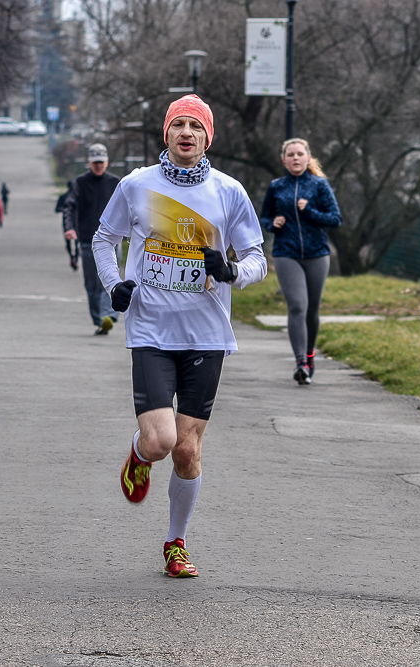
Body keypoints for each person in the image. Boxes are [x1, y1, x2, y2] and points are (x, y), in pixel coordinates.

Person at [91, 95, 267, 577]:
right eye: (178, 125)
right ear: (166, 135)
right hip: (150, 328)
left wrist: (231, 272)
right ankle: (139, 453)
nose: (186, 132)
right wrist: (115, 284)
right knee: (161, 440)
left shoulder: (229, 191)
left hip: (207, 334)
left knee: (188, 450)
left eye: (196, 126)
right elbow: (104, 239)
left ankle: (176, 542)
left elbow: (257, 257)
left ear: (208, 138)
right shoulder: (136, 185)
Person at [259, 138, 342, 385]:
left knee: (311, 311)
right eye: (290, 155)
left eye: (300, 154)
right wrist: (271, 225)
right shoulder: (276, 187)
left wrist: (310, 212)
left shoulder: (319, 185)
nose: (295, 158)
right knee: (297, 306)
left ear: (308, 158)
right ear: (284, 160)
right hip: (286, 254)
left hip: (317, 255)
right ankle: (300, 363)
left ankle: (309, 354)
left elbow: (335, 219)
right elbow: (264, 217)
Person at [63, 143, 121, 335]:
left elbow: (129, 207)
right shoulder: (80, 183)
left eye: (101, 162)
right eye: (95, 162)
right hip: (88, 239)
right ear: (89, 162)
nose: (98, 166)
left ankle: (108, 316)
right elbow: (69, 206)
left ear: (107, 162)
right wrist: (69, 228)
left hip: (113, 240)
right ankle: (99, 320)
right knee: (92, 283)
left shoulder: (115, 183)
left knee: (111, 278)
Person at [56, 180, 79, 271]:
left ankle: (72, 256)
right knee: (77, 242)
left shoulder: (63, 197)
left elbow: (57, 209)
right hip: (75, 221)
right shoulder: (76, 197)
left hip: (68, 222)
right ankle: (75, 257)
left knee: (68, 241)